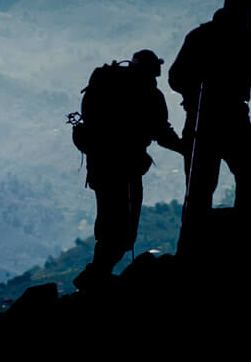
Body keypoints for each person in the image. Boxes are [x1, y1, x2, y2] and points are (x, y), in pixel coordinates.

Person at [168, 0, 251, 242]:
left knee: (199, 190)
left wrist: (196, 91)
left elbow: (175, 78)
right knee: (250, 182)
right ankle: (247, 240)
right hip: (234, 119)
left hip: (201, 120)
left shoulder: (200, 36)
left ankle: (191, 248)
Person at [70, 49, 187, 290]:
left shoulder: (105, 83)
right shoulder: (149, 94)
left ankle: (97, 274)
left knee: (109, 221)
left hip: (101, 166)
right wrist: (186, 148)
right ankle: (96, 276)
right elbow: (162, 132)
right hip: (126, 167)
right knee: (123, 229)